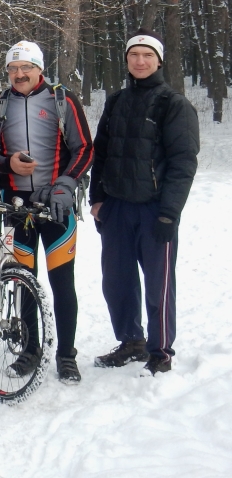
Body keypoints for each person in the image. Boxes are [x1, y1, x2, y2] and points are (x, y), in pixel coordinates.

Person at [0, 40, 93, 384]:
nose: (19, 74)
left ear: (40, 69)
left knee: (62, 282)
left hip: (56, 205)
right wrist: (6, 163)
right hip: (16, 206)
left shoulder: (62, 100)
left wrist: (66, 184)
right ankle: (29, 350)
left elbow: (84, 148)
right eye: (13, 69)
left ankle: (66, 356)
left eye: (26, 67)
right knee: (23, 282)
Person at [90, 29, 199, 375]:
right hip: (117, 208)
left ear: (159, 60)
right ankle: (131, 342)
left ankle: (160, 352)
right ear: (126, 60)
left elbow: (183, 162)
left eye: (148, 55)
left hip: (154, 210)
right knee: (117, 281)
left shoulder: (173, 104)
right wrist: (97, 199)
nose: (140, 61)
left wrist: (169, 213)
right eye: (134, 55)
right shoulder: (116, 101)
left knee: (158, 285)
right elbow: (101, 153)